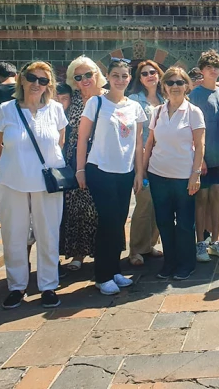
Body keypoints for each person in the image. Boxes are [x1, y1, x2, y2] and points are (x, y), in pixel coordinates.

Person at [0, 62, 68, 309]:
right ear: (22, 80)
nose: (37, 84)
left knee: (48, 234)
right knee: (14, 234)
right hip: (12, 182)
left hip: (46, 185)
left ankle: (48, 285)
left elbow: (60, 143)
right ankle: (17, 286)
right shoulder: (6, 109)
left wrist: (37, 165)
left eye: (43, 80)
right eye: (32, 78)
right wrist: (16, 163)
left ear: (49, 85)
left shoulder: (55, 109)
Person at [76, 58, 146, 295]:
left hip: (125, 172)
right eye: (115, 75)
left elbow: (138, 144)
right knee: (107, 222)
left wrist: (139, 172)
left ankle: (114, 269)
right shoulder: (96, 103)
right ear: (108, 76)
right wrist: (80, 170)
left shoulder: (134, 107)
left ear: (130, 78)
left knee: (118, 222)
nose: (120, 80)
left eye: (124, 76)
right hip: (100, 169)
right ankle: (102, 275)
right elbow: (82, 138)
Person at [144, 67, 205, 280]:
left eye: (180, 82)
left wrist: (195, 174)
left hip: (183, 177)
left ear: (187, 85)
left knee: (186, 223)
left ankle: (186, 264)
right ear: (164, 87)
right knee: (164, 222)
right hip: (158, 174)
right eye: (171, 83)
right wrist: (142, 172)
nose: (175, 86)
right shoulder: (157, 111)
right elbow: (150, 142)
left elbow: (200, 145)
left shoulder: (194, 112)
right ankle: (169, 262)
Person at [62, 56, 107, 271]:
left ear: (97, 74)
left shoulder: (108, 98)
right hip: (76, 159)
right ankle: (78, 255)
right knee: (77, 209)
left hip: (104, 159)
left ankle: (104, 253)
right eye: (79, 77)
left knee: (103, 208)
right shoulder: (72, 100)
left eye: (89, 74)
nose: (85, 79)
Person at [189, 50, 219, 262]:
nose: (213, 71)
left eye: (216, 67)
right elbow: (190, 129)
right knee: (202, 199)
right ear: (202, 70)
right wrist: (201, 158)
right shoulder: (194, 95)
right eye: (209, 68)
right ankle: (200, 242)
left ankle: (216, 240)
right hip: (203, 157)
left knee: (217, 197)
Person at [127, 60, 165, 266]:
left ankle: (149, 244)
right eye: (144, 73)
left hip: (164, 158)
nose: (149, 75)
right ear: (139, 79)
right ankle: (135, 250)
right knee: (143, 203)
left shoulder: (165, 98)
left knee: (159, 203)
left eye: (153, 72)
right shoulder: (134, 100)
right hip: (143, 158)